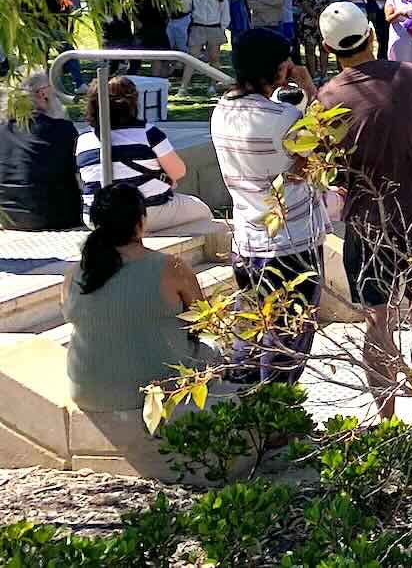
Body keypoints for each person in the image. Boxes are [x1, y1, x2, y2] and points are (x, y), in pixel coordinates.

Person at [315, 1, 412, 431]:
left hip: (367, 220)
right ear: (372, 34)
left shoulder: (329, 97)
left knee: (378, 318)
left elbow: (326, 164)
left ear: (327, 46)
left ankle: (386, 417)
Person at [211, 29, 326, 384]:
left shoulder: (221, 112)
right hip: (292, 245)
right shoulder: (283, 119)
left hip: (247, 241)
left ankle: (258, 419)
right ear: (275, 68)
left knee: (255, 339)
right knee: (289, 345)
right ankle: (279, 425)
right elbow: (323, 144)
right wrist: (309, 88)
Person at [63, 184, 213, 412]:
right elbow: (204, 321)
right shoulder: (171, 267)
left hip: (88, 392)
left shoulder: (74, 273)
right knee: (216, 349)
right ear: (140, 222)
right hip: (163, 388)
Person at [75, 75, 213, 230]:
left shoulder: (83, 139)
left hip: (96, 218)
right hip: (144, 213)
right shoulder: (149, 133)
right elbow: (178, 171)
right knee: (203, 212)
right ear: (133, 102)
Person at [0, 72, 83, 231]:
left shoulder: (3, 130)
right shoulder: (62, 130)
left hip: (8, 218)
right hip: (56, 217)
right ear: (42, 94)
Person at [181, 0, 228, 87]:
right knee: (192, 59)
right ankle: (183, 87)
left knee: (214, 58)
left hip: (214, 27)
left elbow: (225, 13)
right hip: (198, 27)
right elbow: (184, 9)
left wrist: (221, 28)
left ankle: (212, 85)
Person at [293, 0, 331, 81]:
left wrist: (323, 17)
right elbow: (305, 7)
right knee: (310, 49)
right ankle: (313, 75)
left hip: (323, 23)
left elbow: (328, 3)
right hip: (308, 24)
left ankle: (323, 74)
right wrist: (317, 16)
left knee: (324, 49)